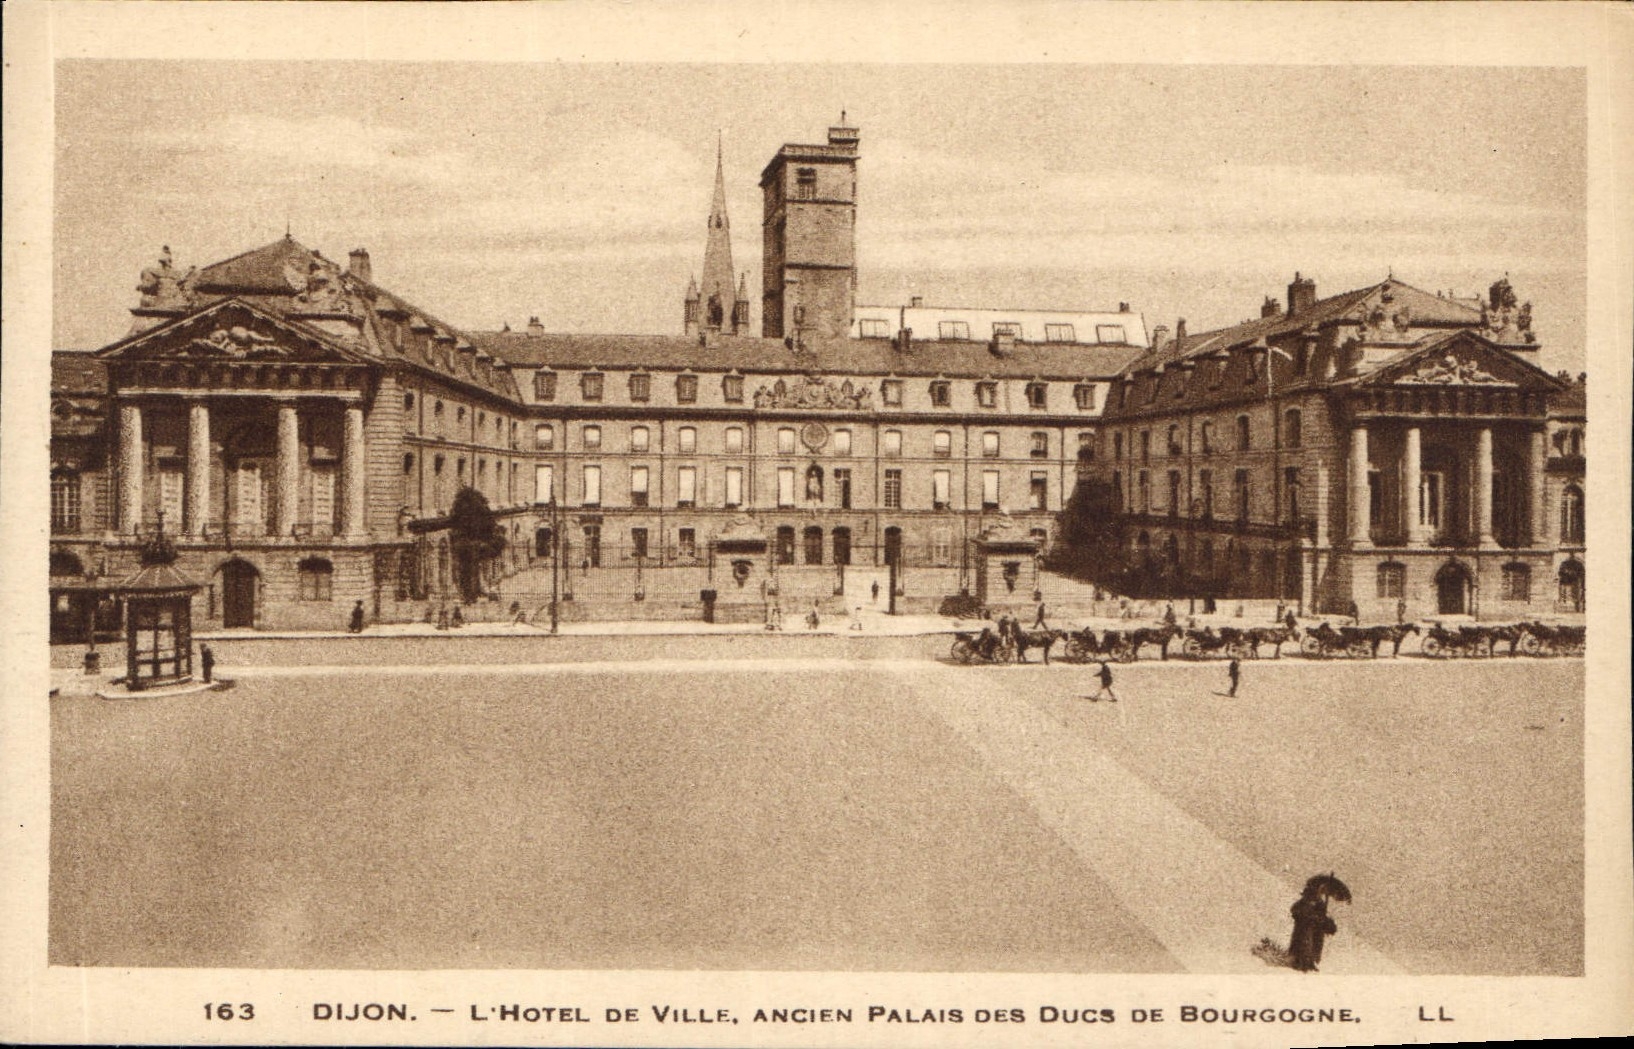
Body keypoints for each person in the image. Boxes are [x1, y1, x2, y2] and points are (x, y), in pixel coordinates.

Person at [1288, 884, 1339, 973]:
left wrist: (1325, 922)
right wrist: (1312, 917)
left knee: (1314, 947)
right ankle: (1301, 963)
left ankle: (1310, 963)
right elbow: (1296, 911)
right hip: (1303, 931)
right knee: (1303, 947)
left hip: (1316, 933)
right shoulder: (1301, 904)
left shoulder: (1320, 905)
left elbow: (1324, 920)